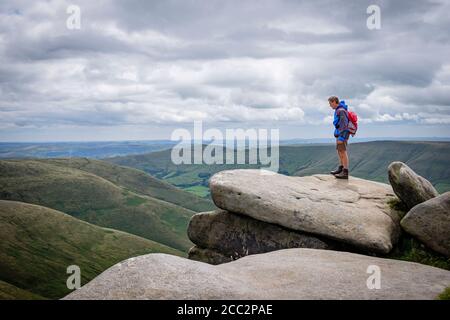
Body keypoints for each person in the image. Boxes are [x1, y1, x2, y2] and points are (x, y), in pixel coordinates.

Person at [328, 96, 350, 179]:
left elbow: (344, 125)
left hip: (342, 135)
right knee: (340, 152)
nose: (330, 106)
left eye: (330, 103)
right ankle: (341, 169)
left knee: (343, 152)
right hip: (339, 134)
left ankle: (345, 172)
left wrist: (341, 137)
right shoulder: (338, 110)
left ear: (334, 102)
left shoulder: (341, 111)